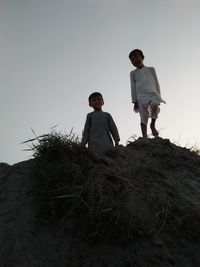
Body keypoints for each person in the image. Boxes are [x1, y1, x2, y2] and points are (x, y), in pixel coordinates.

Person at [129, 49, 165, 138]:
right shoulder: (133, 73)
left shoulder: (151, 69)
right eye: (132, 60)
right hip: (140, 97)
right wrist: (135, 101)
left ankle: (152, 124)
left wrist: (158, 96)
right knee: (143, 117)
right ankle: (144, 137)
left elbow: (156, 82)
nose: (135, 60)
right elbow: (133, 87)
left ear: (142, 57)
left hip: (152, 93)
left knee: (155, 104)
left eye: (136, 57)